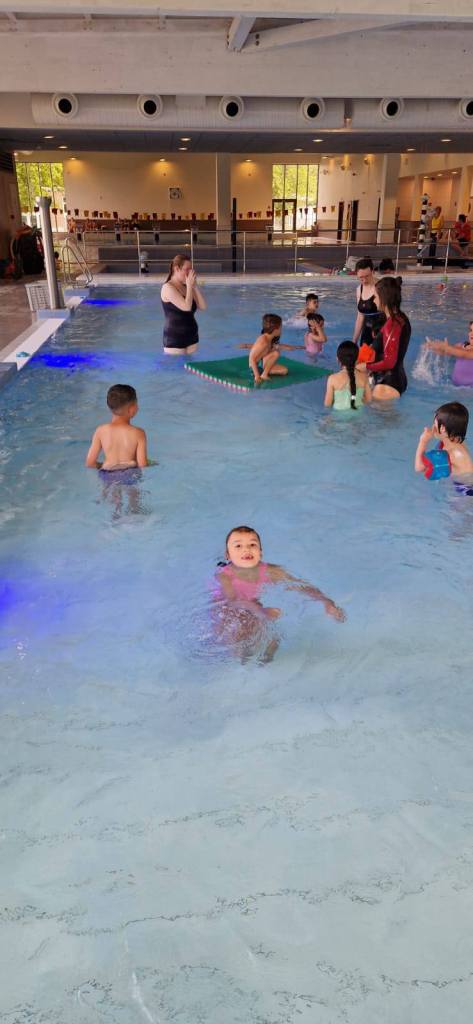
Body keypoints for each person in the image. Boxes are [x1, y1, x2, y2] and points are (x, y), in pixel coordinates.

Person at [213, 525, 345, 662]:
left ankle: (263, 663)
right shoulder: (224, 576)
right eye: (238, 546)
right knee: (237, 637)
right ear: (228, 555)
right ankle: (242, 661)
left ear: (260, 552)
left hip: (254, 605)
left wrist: (326, 601)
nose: (246, 549)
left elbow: (301, 586)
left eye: (252, 545)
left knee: (273, 638)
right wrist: (261, 611)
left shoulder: (270, 571)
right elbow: (233, 600)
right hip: (225, 610)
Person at [85, 384, 148, 472]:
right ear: (131, 409)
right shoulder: (139, 433)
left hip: (107, 474)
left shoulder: (100, 430)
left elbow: (90, 463)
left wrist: (103, 466)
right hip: (129, 473)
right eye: (136, 404)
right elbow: (142, 465)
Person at [367, 276, 411, 400]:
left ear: (384, 298)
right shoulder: (398, 319)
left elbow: (389, 362)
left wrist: (366, 367)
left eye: (375, 296)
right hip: (390, 380)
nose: (374, 300)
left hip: (388, 384)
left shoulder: (394, 323)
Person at [160, 253, 206, 355]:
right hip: (174, 339)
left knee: (192, 365)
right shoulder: (168, 287)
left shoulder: (187, 286)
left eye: (191, 269)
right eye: (187, 269)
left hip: (192, 337)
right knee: (176, 366)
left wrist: (194, 287)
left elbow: (203, 306)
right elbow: (186, 307)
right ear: (177, 269)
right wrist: (189, 286)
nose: (190, 273)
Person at [415, 402, 473, 478]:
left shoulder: (453, 453)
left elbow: (419, 468)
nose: (433, 427)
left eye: (434, 423)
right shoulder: (457, 439)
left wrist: (423, 441)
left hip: (464, 485)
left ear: (442, 428)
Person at [240, 314, 301, 384]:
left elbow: (275, 346)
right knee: (276, 353)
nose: (281, 330)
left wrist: (291, 347)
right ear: (275, 329)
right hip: (255, 368)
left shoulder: (268, 338)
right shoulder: (263, 341)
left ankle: (264, 374)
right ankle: (263, 375)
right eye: (281, 327)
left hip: (261, 363)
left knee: (284, 370)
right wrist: (257, 376)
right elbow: (252, 359)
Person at [324, 341, 372, 411]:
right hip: (359, 415)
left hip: (338, 416)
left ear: (337, 359)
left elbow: (327, 404)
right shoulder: (364, 377)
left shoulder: (332, 379)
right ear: (357, 359)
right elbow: (369, 400)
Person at [352, 257, 385, 350]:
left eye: (367, 276)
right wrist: (354, 340)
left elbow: (389, 312)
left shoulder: (381, 287)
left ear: (372, 271)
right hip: (366, 330)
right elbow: (360, 316)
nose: (364, 280)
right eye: (361, 277)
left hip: (382, 330)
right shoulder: (359, 290)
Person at [425, 321, 473, 386]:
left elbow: (464, 354)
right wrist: (433, 347)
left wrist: (446, 348)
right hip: (455, 388)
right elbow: (446, 352)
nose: (471, 334)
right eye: (471, 330)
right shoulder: (461, 346)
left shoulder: (464, 351)